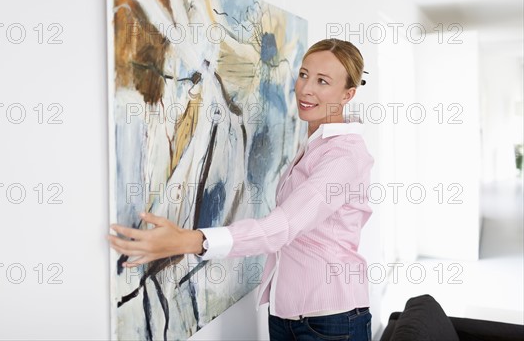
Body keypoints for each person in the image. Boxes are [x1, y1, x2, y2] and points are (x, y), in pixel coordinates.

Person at [108, 38, 375, 341]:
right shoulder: (317, 139)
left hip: (331, 321)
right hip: (287, 313)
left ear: (348, 94)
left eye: (322, 81)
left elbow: (284, 226)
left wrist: (188, 241)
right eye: (303, 74)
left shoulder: (344, 157)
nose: (306, 89)